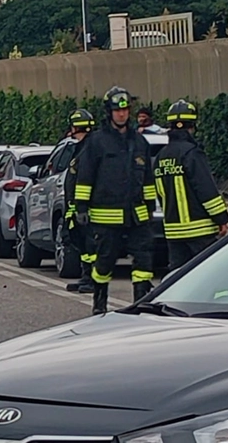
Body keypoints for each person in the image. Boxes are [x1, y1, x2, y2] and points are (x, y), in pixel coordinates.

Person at [73, 86, 158, 314]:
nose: (122, 114)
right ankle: (99, 307)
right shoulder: (97, 142)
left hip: (137, 217)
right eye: (117, 110)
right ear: (109, 112)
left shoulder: (140, 143)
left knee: (143, 263)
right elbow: (85, 177)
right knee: (103, 264)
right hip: (106, 217)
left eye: (125, 110)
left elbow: (148, 179)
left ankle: (140, 307)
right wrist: (81, 207)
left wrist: (150, 207)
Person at [155, 99, 228, 271]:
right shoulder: (192, 153)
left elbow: (159, 192)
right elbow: (206, 189)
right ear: (192, 127)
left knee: (178, 277)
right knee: (209, 274)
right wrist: (221, 219)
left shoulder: (161, 157)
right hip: (200, 230)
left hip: (173, 231)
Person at [62, 108, 99, 294]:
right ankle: (86, 277)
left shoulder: (89, 150)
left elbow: (85, 181)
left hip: (88, 209)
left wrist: (81, 207)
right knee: (83, 246)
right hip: (78, 207)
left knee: (91, 246)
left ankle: (93, 280)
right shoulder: (82, 148)